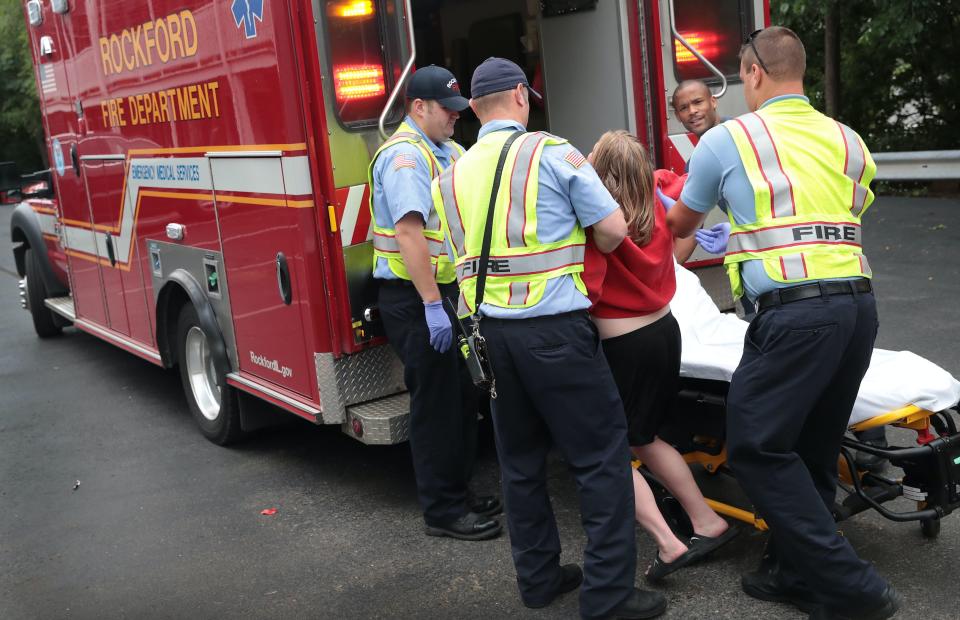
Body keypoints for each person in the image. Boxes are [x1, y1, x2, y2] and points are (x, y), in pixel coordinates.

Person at [666, 27, 900, 619]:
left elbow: (681, 224)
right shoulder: (849, 140)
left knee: (756, 448)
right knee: (813, 447)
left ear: (751, 74)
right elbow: (849, 207)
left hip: (795, 315)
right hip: (857, 310)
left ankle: (854, 590)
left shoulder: (728, 139)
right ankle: (792, 573)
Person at [432, 57, 666, 620]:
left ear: (472, 108)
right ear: (519, 95)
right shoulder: (552, 152)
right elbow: (611, 231)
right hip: (556, 334)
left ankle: (538, 579)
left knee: (519, 462)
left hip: (490, 335)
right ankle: (608, 596)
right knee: (600, 458)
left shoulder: (450, 174)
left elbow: (452, 255)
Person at [583, 130, 738, 583]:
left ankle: (671, 541)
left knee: (608, 448)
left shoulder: (603, 224)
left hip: (626, 344)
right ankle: (705, 520)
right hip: (665, 331)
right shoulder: (656, 202)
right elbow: (679, 181)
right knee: (645, 436)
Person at [369, 65, 501, 542]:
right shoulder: (406, 157)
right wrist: (431, 304)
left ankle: (459, 491)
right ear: (418, 107)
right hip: (416, 298)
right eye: (447, 110)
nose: (455, 117)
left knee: (464, 396)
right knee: (438, 404)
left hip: (448, 294)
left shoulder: (447, 151)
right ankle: (443, 511)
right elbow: (409, 232)